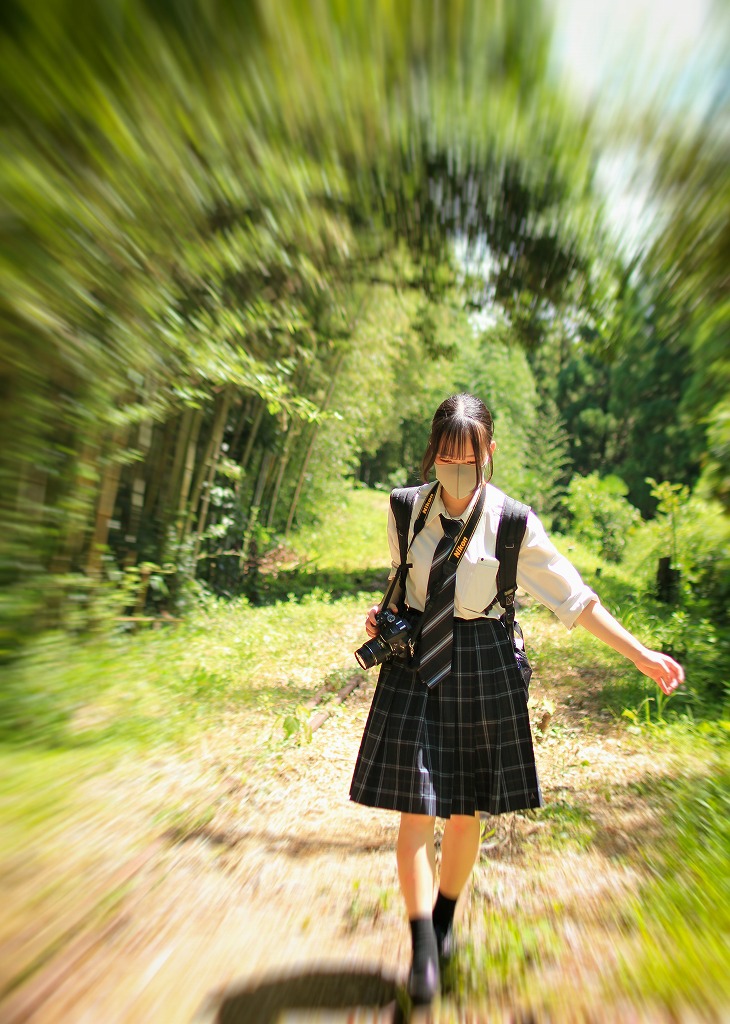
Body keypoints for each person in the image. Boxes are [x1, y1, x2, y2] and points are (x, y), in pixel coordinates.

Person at [349, 393, 684, 1008]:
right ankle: (423, 947)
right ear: (432, 455)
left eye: (467, 457)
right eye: (445, 457)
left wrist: (640, 654)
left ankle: (446, 920)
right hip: (416, 664)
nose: (455, 469)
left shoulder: (513, 524)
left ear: (488, 454)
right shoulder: (403, 511)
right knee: (416, 809)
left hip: (483, 662)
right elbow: (401, 585)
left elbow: (575, 600)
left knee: (466, 808)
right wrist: (384, 616)